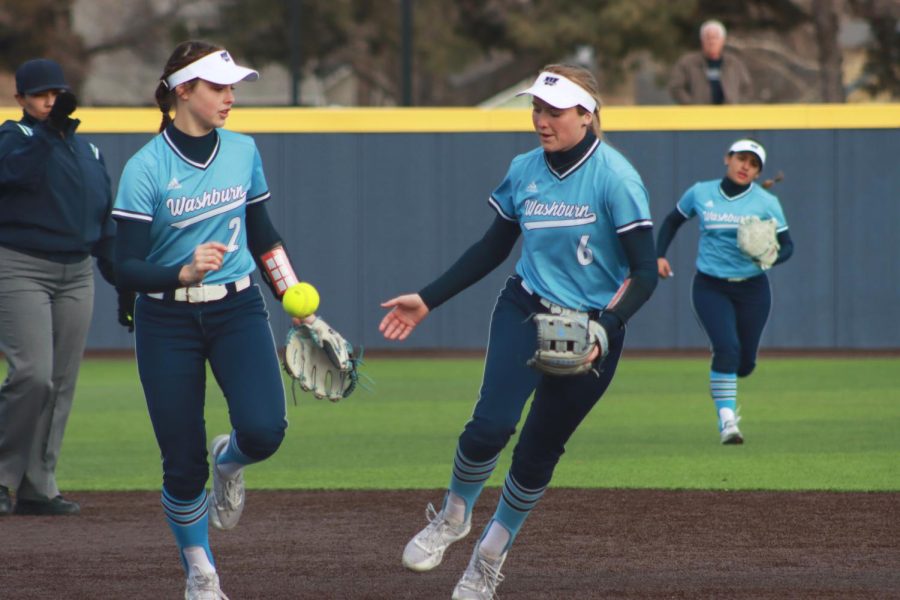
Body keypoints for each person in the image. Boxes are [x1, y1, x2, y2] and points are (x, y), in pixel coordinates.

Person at [379, 65, 658, 599]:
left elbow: (644, 272)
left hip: (590, 328)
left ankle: (488, 557)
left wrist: (606, 326)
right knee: (489, 426)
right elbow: (492, 247)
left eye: (554, 111)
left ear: (586, 114)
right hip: (526, 309)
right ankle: (454, 516)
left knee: (537, 452)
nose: (541, 120)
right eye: (537, 108)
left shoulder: (616, 177)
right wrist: (428, 298)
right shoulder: (525, 169)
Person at [112, 41, 309, 599]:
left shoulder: (243, 150)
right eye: (218, 87)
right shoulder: (145, 168)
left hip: (238, 307)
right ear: (183, 92)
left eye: (232, 88)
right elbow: (124, 266)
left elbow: (264, 235)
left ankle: (231, 460)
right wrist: (179, 272)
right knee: (180, 459)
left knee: (266, 430)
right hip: (166, 321)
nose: (230, 97)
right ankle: (201, 574)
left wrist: (296, 300)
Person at [0, 58, 131, 517]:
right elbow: (14, 176)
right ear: (20, 100)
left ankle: (38, 485)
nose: (50, 102)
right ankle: (1, 476)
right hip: (20, 267)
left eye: (57, 94)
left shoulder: (88, 152)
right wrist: (47, 133)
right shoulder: (11, 138)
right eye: (40, 95)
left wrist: (124, 285)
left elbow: (104, 222)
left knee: (60, 382)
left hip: (76, 272)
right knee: (32, 374)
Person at [655, 138, 794, 444]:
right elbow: (672, 221)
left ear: (758, 173)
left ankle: (728, 370)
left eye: (753, 163)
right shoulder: (701, 192)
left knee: (744, 364)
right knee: (727, 350)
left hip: (753, 289)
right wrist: (659, 254)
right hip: (710, 286)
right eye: (741, 158)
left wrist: (771, 256)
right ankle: (727, 422)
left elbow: (788, 247)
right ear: (727, 159)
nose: (746, 166)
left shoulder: (766, 203)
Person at [668, 19, 753, 105]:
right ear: (702, 40)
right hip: (698, 115)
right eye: (708, 38)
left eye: (715, 37)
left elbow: (746, 87)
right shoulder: (687, 63)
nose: (711, 41)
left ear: (722, 40)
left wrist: (737, 105)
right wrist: (691, 105)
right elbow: (676, 87)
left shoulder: (734, 63)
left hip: (729, 115)